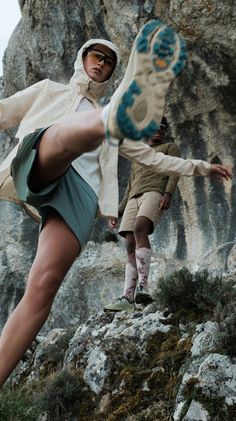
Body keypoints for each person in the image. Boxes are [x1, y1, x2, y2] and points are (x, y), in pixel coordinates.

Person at [0, 19, 231, 388]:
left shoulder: (113, 135)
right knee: (66, 136)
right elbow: (4, 112)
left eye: (109, 62)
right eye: (96, 56)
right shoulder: (50, 91)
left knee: (42, 288)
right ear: (82, 58)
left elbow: (158, 161)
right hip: (42, 159)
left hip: (78, 197)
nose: (101, 64)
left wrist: (203, 167)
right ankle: (114, 110)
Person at [104, 117, 181, 311]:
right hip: (133, 198)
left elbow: (175, 170)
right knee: (129, 243)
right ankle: (128, 297)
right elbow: (130, 186)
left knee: (140, 229)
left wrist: (168, 193)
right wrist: (117, 211)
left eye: (162, 127)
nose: (159, 130)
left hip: (154, 193)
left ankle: (143, 287)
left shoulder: (170, 147)